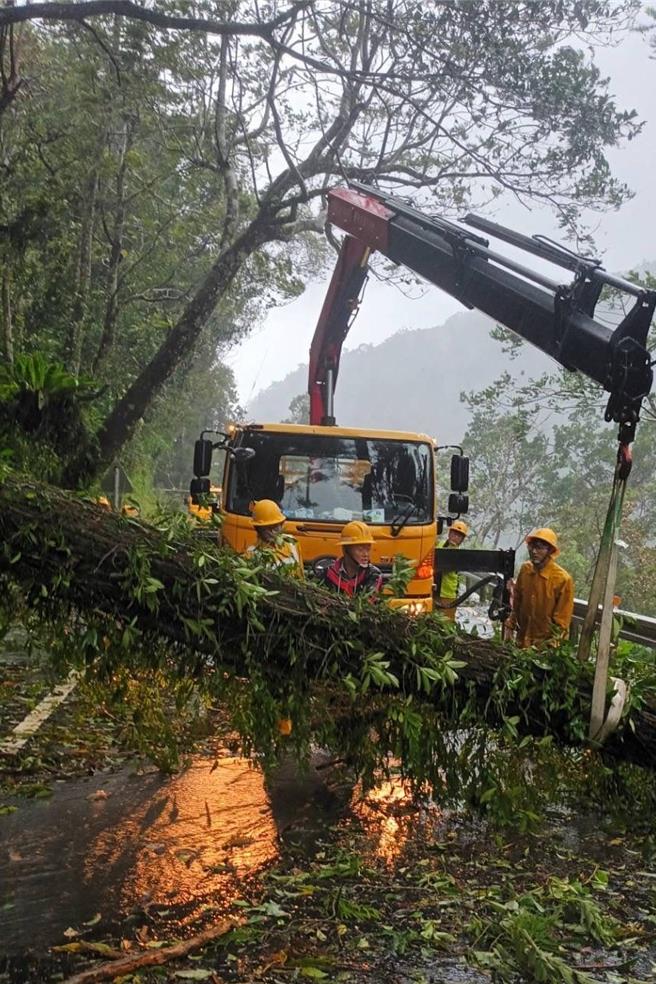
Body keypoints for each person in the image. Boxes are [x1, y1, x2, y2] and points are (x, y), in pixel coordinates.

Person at [506, 527, 574, 648]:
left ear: (550, 551)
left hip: (545, 648)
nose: (534, 551)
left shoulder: (562, 579)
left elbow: (562, 622)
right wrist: (510, 625)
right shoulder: (525, 570)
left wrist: (552, 646)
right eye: (532, 546)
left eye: (540, 547)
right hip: (522, 643)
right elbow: (517, 602)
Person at [321, 521, 383, 597]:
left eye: (368, 549)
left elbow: (369, 602)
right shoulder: (328, 573)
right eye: (360, 550)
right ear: (345, 549)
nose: (366, 554)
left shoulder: (373, 575)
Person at [248, 499, 304, 578]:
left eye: (275, 527)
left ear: (281, 525)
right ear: (258, 529)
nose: (273, 532)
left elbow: (300, 573)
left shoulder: (292, 543)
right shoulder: (252, 553)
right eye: (267, 528)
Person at [435, 519, 469, 621]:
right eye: (454, 534)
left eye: (459, 536)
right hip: (435, 589)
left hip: (448, 593)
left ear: (462, 540)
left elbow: (446, 567)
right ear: (449, 533)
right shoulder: (440, 544)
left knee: (447, 621)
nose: (455, 537)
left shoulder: (457, 553)